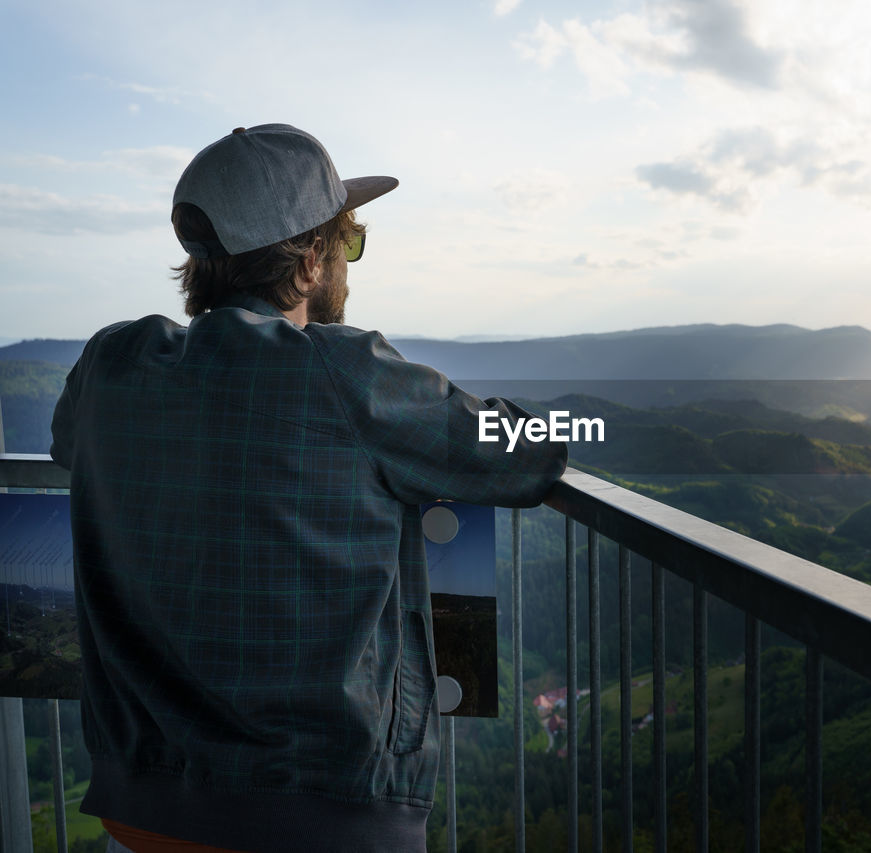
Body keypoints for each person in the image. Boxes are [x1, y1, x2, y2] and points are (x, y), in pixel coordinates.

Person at [50, 124, 567, 852]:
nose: (347, 266)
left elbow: (67, 445)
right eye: (346, 244)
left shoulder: (112, 361)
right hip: (323, 817)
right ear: (310, 260)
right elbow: (529, 458)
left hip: (137, 812)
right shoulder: (343, 371)